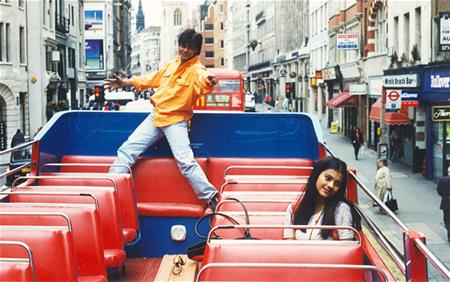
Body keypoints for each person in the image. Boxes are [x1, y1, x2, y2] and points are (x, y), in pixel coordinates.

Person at [103, 29, 219, 209]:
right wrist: (126, 82)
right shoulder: (171, 64)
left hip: (175, 120)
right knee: (127, 150)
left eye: (189, 47)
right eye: (182, 45)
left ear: (196, 50)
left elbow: (204, 79)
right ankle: (107, 190)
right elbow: (152, 78)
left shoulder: (198, 70)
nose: (184, 50)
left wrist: (209, 80)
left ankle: (212, 196)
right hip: (156, 115)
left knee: (186, 162)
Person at [283, 156, 361, 240]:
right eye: (328, 178)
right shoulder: (295, 208)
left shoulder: (341, 210)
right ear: (317, 174)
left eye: (337, 184)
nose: (331, 186)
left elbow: (347, 248)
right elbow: (289, 243)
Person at [437, 166, 450, 242]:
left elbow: (439, 190)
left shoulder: (443, 180)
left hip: (446, 203)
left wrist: (444, 196)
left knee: (447, 219)